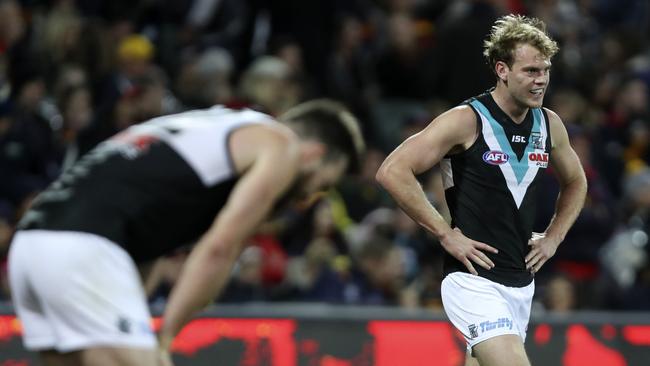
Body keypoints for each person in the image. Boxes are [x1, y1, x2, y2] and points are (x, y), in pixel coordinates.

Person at [8, 99, 365, 365]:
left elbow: (148, 238)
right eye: (323, 183)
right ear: (316, 155)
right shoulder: (281, 144)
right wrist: (164, 338)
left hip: (33, 245)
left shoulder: (215, 127)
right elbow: (220, 248)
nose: (311, 196)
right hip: (83, 245)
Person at [376, 14, 587, 366]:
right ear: (502, 69)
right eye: (531, 71)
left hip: (520, 284)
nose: (541, 80)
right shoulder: (466, 120)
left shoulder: (550, 124)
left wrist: (554, 236)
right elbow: (392, 171)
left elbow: (577, 181)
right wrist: (445, 233)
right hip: (473, 281)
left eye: (545, 70)